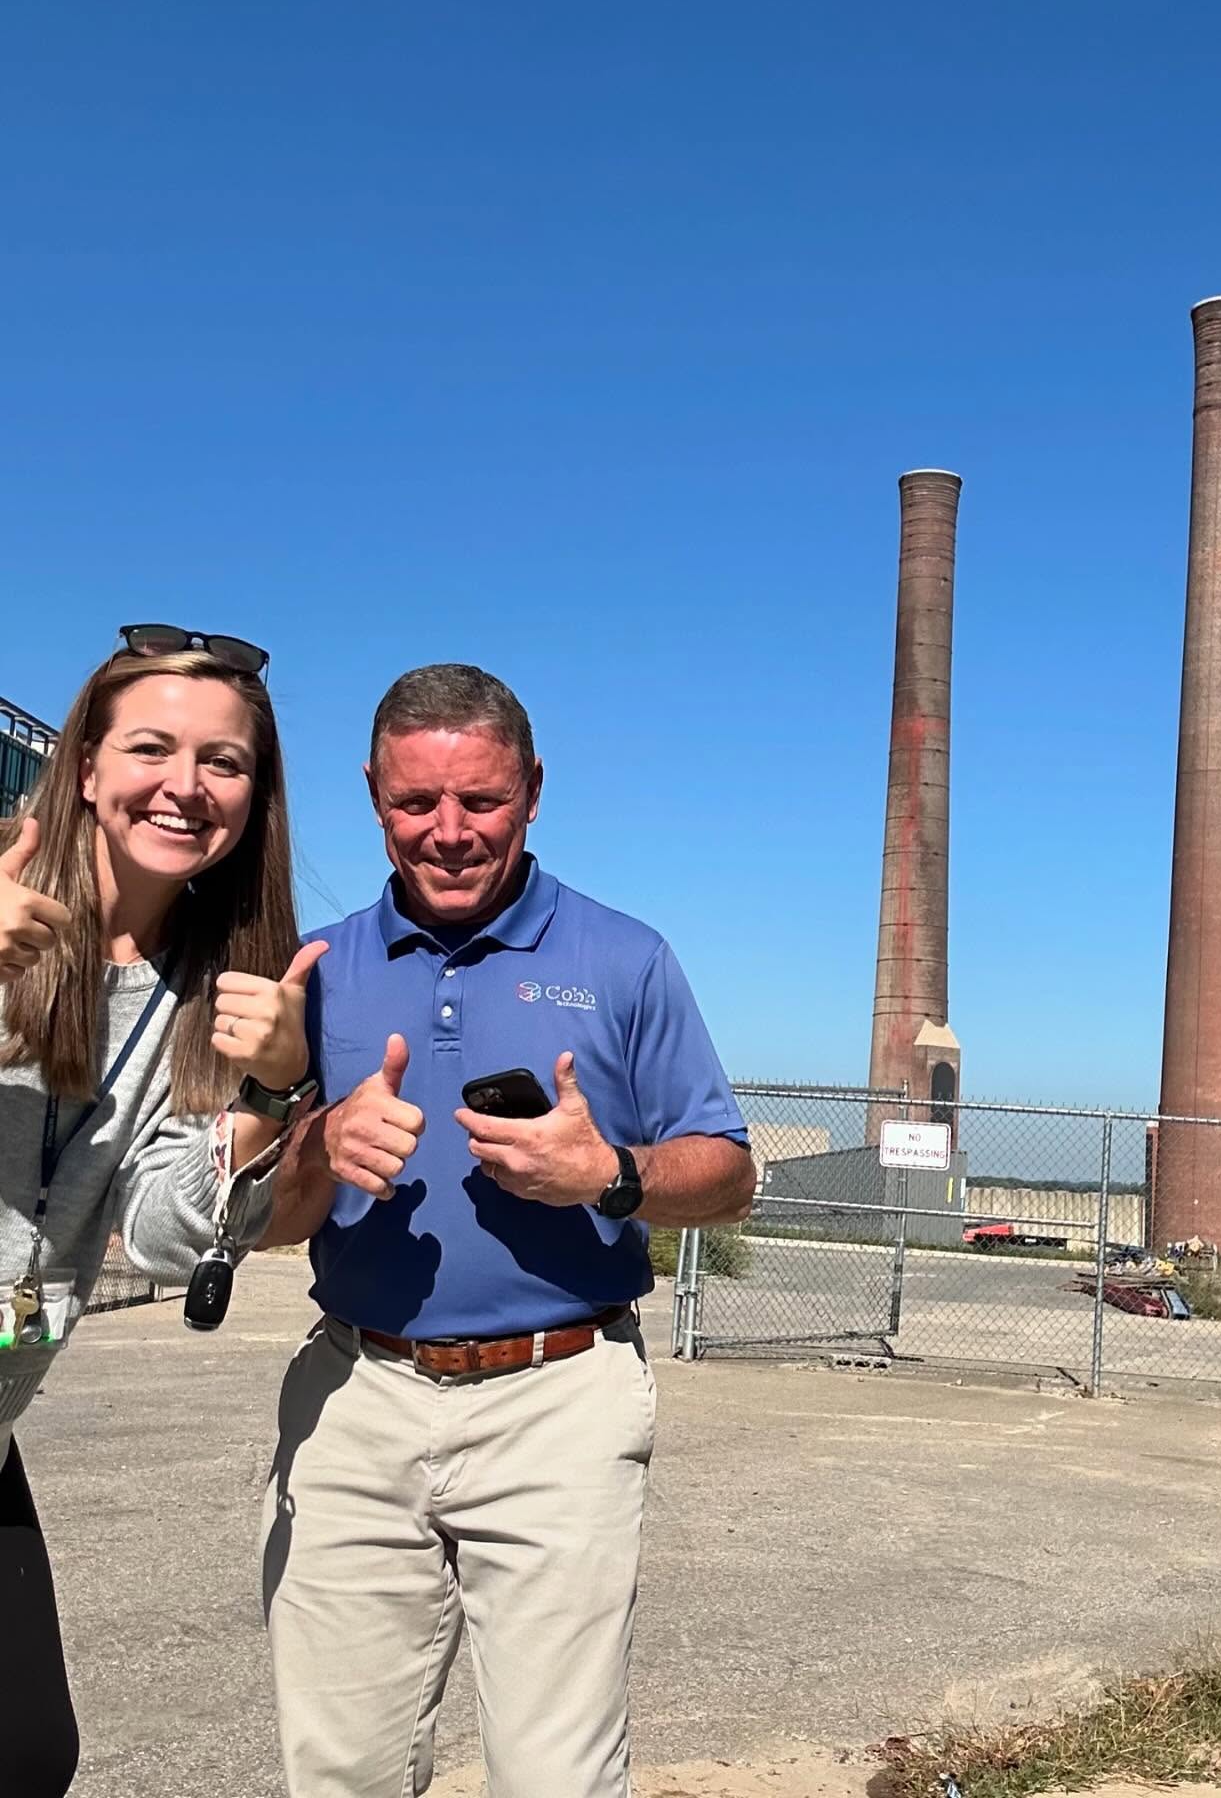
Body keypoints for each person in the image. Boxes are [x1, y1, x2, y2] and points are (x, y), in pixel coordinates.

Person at [261, 662, 754, 1798]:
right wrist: (317, 1145)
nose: (446, 835)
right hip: (355, 1397)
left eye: (479, 802)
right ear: (372, 794)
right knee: (340, 1770)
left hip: (558, 1400)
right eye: (414, 803)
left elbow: (727, 1172)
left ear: (532, 790)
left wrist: (611, 1173)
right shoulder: (317, 972)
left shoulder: (625, 959)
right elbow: (268, 1222)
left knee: (554, 1777)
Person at [0, 627, 324, 1796]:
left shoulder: (204, 986)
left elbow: (160, 1230)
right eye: (151, 747)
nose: (184, 787)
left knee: (28, 1753)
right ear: (85, 762)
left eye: (223, 762)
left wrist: (275, 1094)